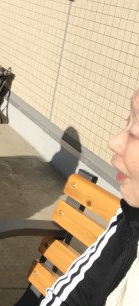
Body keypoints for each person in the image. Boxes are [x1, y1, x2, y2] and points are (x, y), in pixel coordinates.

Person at [38, 89, 139, 305]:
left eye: (135, 130)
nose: (113, 142)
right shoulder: (131, 219)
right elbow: (79, 289)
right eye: (127, 120)